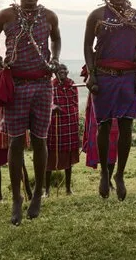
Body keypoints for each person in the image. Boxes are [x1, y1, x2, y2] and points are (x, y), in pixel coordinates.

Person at [0, 0, 61, 225]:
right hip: (16, 84)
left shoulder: (49, 16)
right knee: (16, 141)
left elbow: (56, 39)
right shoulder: (6, 14)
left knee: (40, 140)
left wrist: (56, 58)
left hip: (42, 84)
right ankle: (17, 199)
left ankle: (38, 193)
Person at [84, 0, 136, 200]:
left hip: (129, 77)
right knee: (104, 124)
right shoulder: (97, 15)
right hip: (104, 76)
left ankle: (120, 174)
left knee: (127, 125)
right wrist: (92, 74)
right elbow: (87, 47)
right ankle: (104, 173)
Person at [45, 64, 80, 196]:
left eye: (64, 70)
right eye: (59, 71)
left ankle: (68, 189)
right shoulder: (50, 85)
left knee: (68, 158)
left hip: (68, 125)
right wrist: (52, 106)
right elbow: (45, 101)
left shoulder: (72, 85)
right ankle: (46, 190)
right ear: (55, 73)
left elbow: (74, 105)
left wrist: (63, 110)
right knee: (49, 157)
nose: (62, 73)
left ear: (68, 71)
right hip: (53, 125)